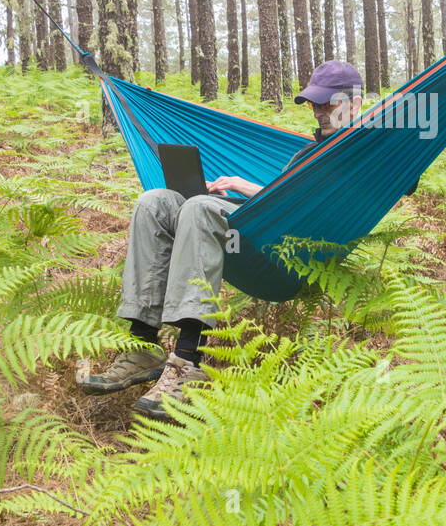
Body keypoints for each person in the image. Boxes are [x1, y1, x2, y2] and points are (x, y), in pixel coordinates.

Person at [81, 60, 365, 421]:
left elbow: (306, 204)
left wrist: (242, 186)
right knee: (154, 203)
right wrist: (229, 194)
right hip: (256, 237)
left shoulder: (367, 149)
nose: (320, 112)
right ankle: (142, 344)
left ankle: (188, 362)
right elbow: (279, 209)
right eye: (315, 104)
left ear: (353, 103)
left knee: (200, 209)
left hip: (287, 257)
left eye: (329, 104)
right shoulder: (303, 154)